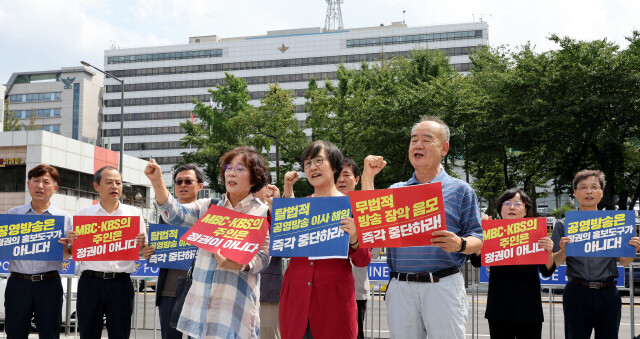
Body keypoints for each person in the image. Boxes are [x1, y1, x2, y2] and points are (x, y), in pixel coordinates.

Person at [361, 116, 483, 339]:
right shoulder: (396, 190)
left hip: (443, 285)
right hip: (401, 287)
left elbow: (478, 237)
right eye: (413, 140)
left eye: (427, 140)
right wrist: (368, 176)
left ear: (444, 148)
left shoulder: (460, 190)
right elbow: (371, 224)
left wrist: (459, 243)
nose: (418, 145)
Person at [145, 146, 275, 339]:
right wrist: (157, 182)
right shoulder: (209, 206)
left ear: (255, 178)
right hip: (200, 311)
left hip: (234, 309)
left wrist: (241, 264)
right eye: (228, 168)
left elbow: (264, 256)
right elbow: (175, 214)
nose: (231, 173)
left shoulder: (263, 212)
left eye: (240, 169)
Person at [280, 140, 372, 339]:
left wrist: (355, 237)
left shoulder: (352, 207)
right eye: (307, 163)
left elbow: (363, 260)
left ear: (335, 167)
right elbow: (283, 247)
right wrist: (285, 199)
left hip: (334, 305)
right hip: (296, 302)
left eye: (319, 161)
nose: (312, 167)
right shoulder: (298, 208)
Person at [552, 170, 640, 339]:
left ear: (602, 192)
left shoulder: (615, 223)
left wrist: (633, 249)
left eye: (594, 187)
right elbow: (552, 264)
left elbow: (624, 261)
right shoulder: (563, 225)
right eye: (583, 187)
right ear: (575, 192)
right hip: (577, 292)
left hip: (608, 292)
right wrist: (564, 250)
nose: (589, 192)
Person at [470, 188, 556, 339]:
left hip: (529, 309)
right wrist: (481, 235)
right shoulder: (492, 232)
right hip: (499, 308)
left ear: (525, 210)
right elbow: (477, 261)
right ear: (500, 210)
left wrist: (548, 251)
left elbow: (547, 271)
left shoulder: (536, 233)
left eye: (518, 204)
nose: (512, 207)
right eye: (507, 203)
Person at [75, 166, 147, 339]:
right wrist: (71, 241)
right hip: (90, 283)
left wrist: (143, 245)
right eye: (108, 182)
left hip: (120, 284)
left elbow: (141, 250)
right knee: (88, 333)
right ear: (96, 186)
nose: (115, 186)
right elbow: (71, 250)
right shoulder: (83, 216)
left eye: (118, 183)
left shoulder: (134, 214)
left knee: (120, 333)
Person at [5, 164, 73, 339]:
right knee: (14, 333)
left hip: (49, 284)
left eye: (46, 182)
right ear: (28, 185)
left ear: (55, 188)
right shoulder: (13, 215)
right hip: (18, 284)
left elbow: (68, 255)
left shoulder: (65, 219)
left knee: (50, 334)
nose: (40, 186)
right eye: (36, 181)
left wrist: (68, 246)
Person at [142, 164, 208, 339]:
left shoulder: (209, 215)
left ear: (200, 186)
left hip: (200, 291)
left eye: (188, 181)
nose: (183, 185)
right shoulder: (164, 217)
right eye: (178, 181)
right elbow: (158, 255)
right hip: (169, 292)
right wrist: (149, 254)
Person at [335, 158, 381, 339]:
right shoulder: (321, 208)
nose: (341, 180)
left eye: (346, 175)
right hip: (325, 290)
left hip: (355, 292)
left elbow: (373, 252)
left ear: (357, 179)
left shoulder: (366, 210)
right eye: (337, 175)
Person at [253, 181, 283, 339]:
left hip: (267, 290)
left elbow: (283, 246)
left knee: (268, 333)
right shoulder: (232, 211)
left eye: (256, 186)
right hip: (237, 288)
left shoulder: (274, 213)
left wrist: (274, 208)